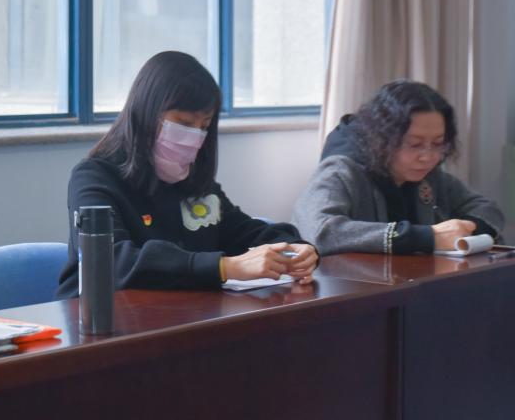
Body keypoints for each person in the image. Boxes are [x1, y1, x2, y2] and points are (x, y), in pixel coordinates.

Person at [57, 51, 319, 297]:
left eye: (204, 126)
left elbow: (240, 230)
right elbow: (111, 260)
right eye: (184, 123)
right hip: (100, 318)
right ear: (147, 112)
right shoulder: (94, 177)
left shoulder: (190, 179)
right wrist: (224, 267)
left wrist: (295, 248)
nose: (195, 135)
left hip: (179, 316)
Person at [293, 80, 504, 255]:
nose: (428, 157)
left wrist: (464, 231)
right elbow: (321, 232)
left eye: (438, 143)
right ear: (382, 139)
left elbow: (486, 208)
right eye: (414, 144)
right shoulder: (340, 171)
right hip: (351, 286)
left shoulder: (429, 174)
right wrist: (427, 237)